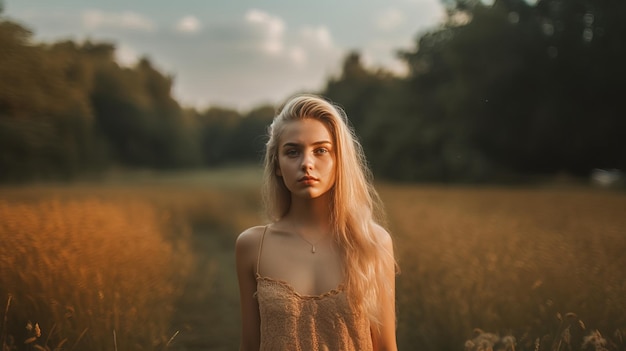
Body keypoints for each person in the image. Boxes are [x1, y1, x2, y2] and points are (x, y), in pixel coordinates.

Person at [235, 94, 398, 351]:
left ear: (338, 160)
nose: (307, 163)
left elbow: (386, 347)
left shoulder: (373, 243)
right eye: (292, 152)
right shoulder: (253, 245)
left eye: (321, 150)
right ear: (277, 164)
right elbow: (249, 345)